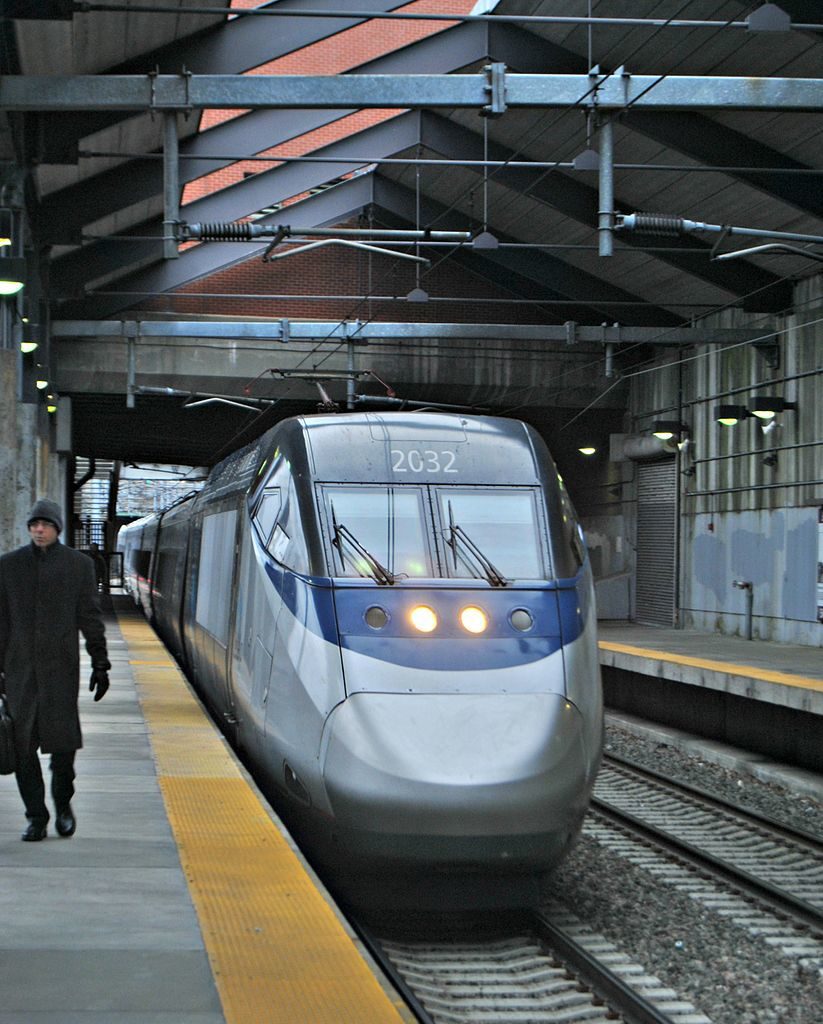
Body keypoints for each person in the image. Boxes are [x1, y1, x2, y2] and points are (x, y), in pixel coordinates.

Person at [0, 498, 111, 841]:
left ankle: (63, 805)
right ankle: (37, 816)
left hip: (61, 671)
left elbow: (90, 617)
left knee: (63, 748)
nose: (38, 529)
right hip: (19, 672)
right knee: (22, 747)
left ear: (57, 529)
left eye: (45, 524)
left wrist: (100, 662)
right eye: (34, 524)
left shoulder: (78, 566)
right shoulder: (8, 566)